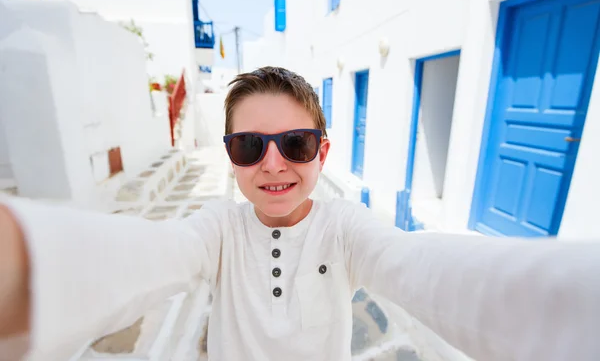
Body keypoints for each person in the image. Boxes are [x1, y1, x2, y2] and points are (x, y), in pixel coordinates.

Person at [0, 66, 599, 361]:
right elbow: (159, 255)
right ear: (230, 156)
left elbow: (420, 265)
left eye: (297, 144)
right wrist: (24, 260)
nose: (273, 163)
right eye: (249, 146)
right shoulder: (221, 227)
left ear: (323, 152)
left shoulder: (345, 226)